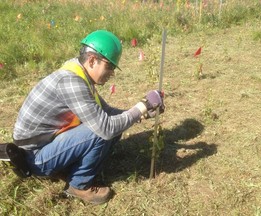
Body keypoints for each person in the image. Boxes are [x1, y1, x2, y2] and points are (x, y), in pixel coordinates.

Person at [12, 30, 165, 205]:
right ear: (92, 60)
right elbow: (105, 128)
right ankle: (79, 184)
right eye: (109, 67)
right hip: (34, 157)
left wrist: (143, 112)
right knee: (100, 131)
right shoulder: (71, 82)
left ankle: (68, 167)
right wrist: (141, 106)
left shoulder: (79, 74)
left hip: (44, 145)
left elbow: (107, 112)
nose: (112, 73)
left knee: (109, 125)